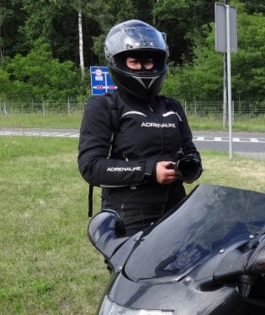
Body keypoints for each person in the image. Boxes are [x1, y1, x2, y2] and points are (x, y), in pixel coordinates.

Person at [78, 19, 201, 236]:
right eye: (134, 62)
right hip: (129, 211)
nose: (143, 68)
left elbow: (190, 150)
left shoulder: (171, 107)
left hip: (176, 207)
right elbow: (91, 166)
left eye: (149, 62)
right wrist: (149, 171)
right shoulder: (104, 106)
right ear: (118, 62)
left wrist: (191, 168)